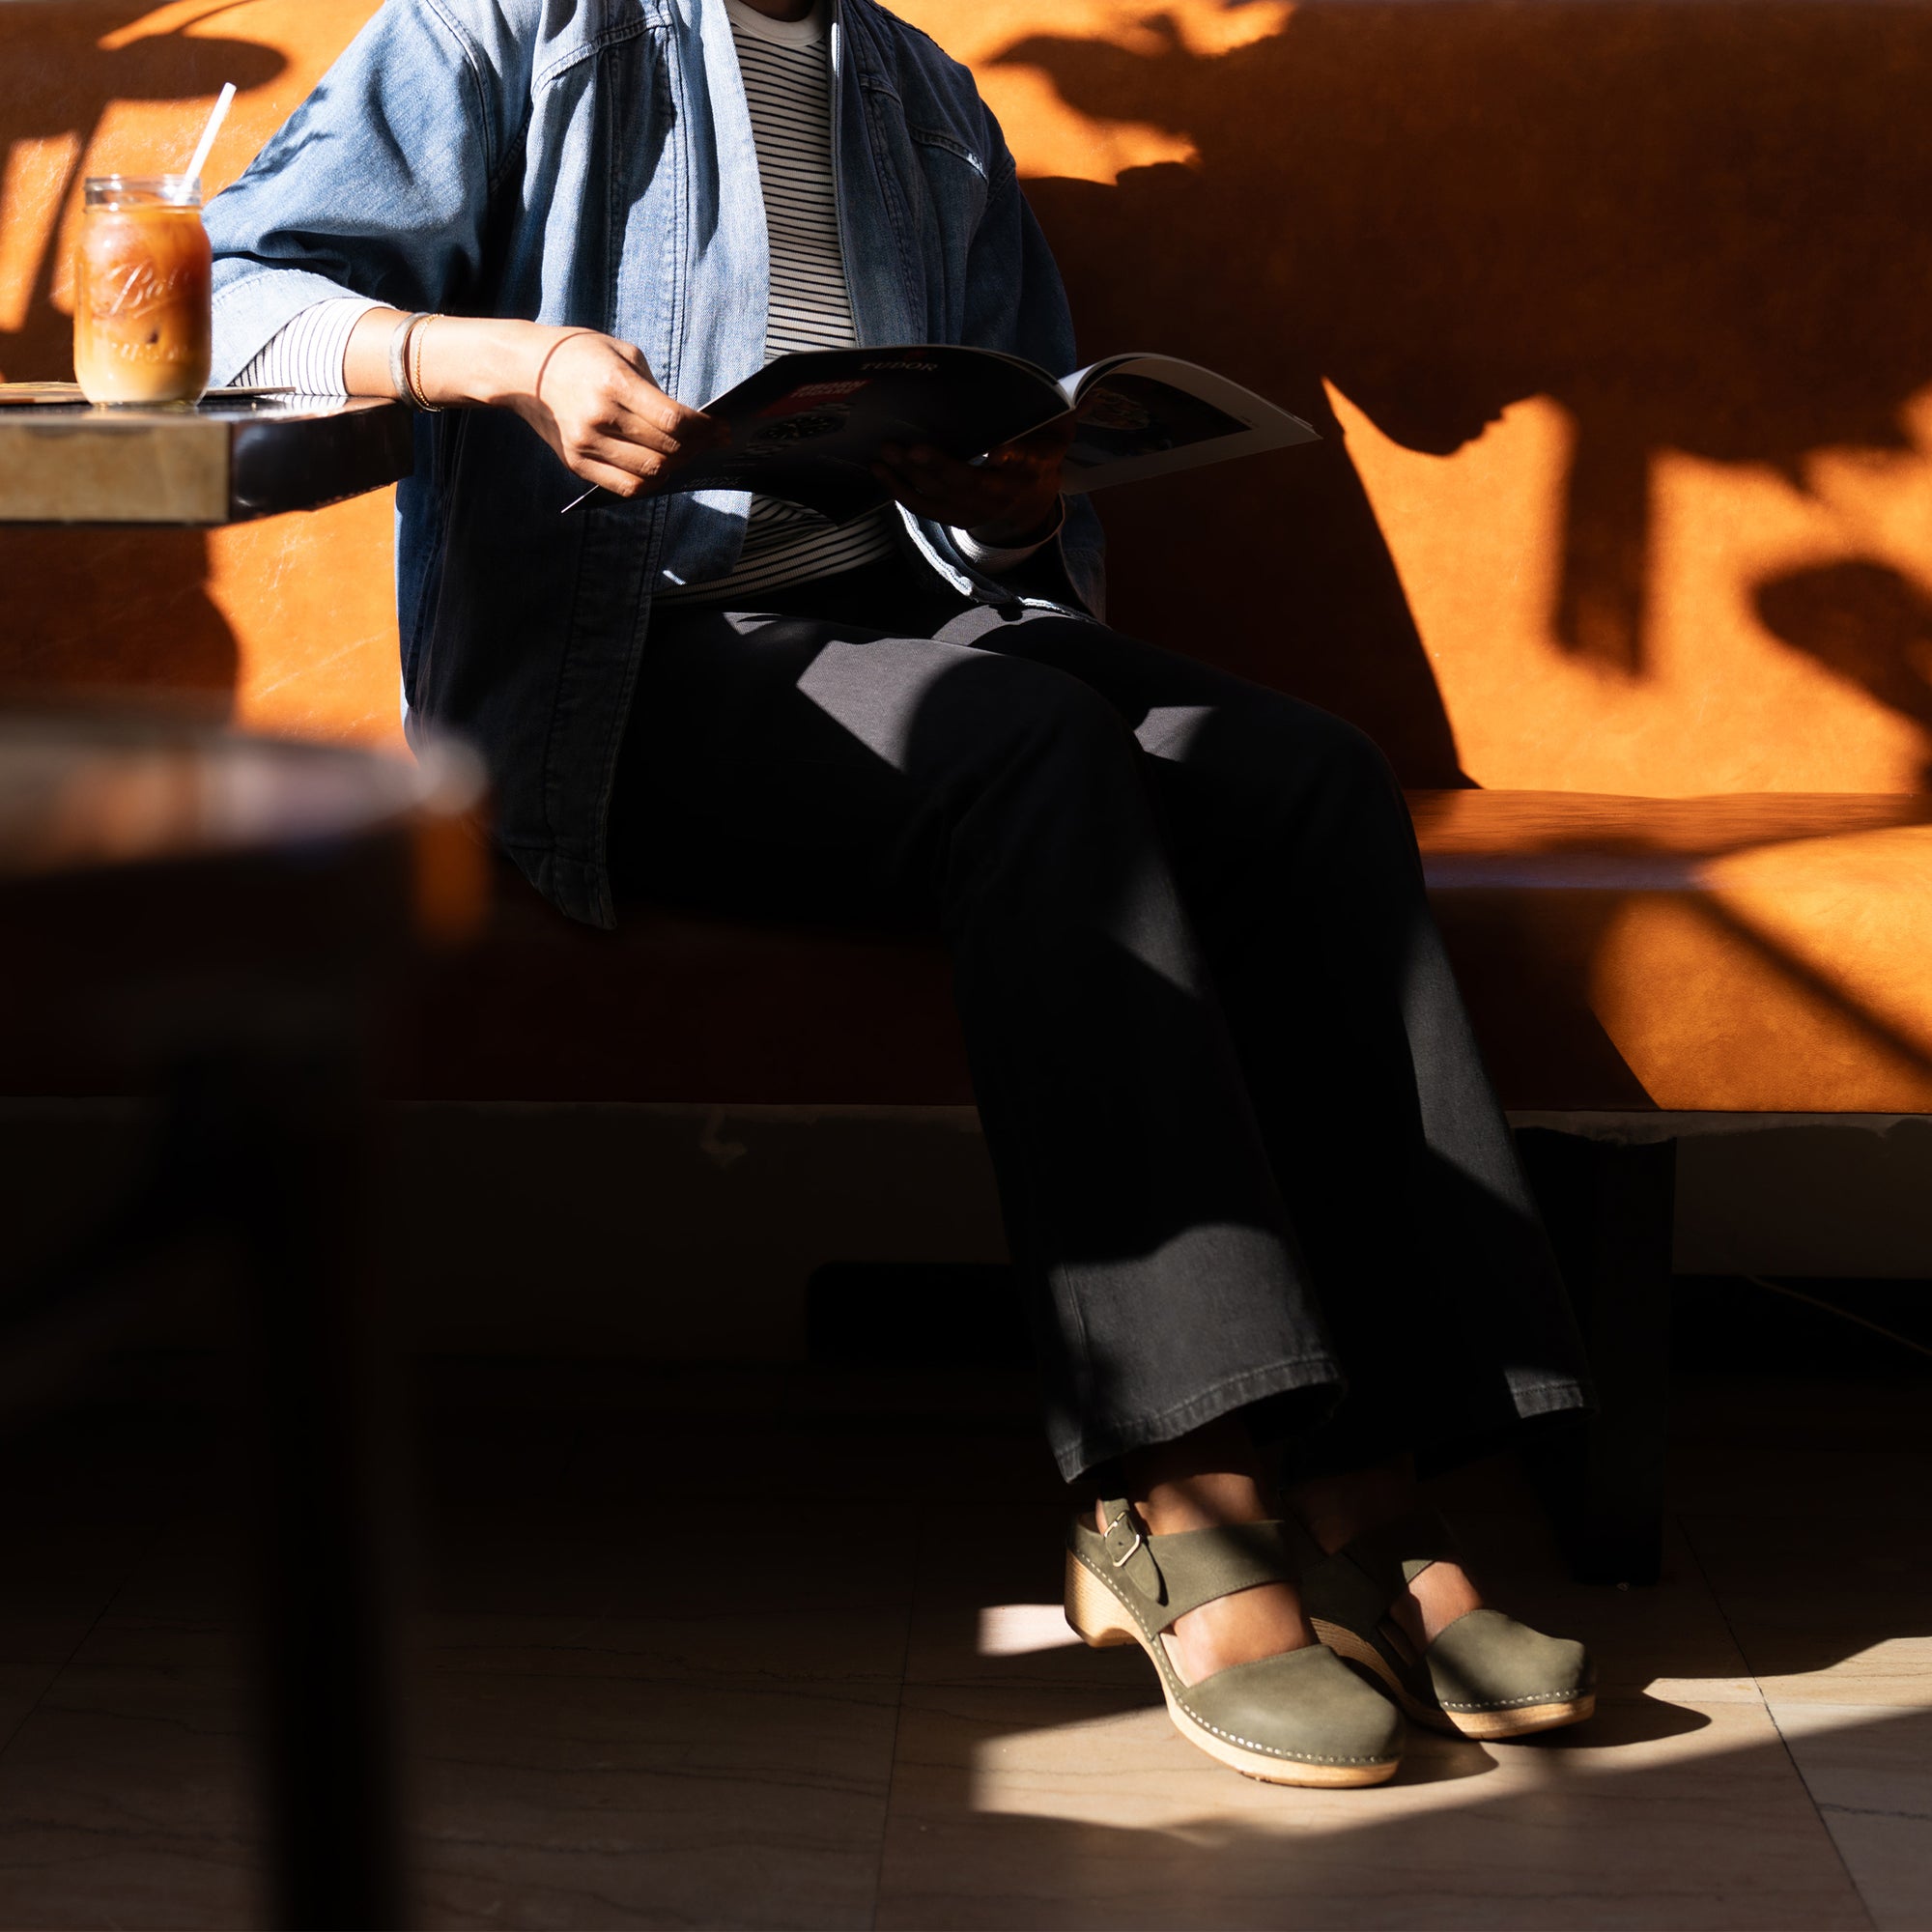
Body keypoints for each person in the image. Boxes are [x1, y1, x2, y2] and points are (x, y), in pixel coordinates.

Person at [206, 0, 1598, 1787]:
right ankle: (1176, 1496)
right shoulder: (507, 26)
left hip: (922, 638)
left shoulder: (924, 91)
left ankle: (1380, 1489)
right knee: (1029, 745)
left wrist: (1008, 508)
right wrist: (512, 361)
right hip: (627, 675)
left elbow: (1022, 474)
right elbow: (234, 293)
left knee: (1302, 776)